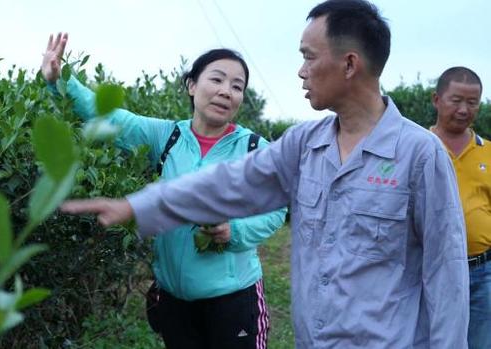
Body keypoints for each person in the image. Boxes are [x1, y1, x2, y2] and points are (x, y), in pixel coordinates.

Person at [61, 0, 470, 348]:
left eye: (309, 57)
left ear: (349, 64)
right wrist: (140, 205)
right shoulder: (303, 145)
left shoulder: (419, 154)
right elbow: (229, 185)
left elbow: (446, 275)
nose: (300, 71)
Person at [42, 34, 285, 348]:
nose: (226, 91)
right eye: (217, 79)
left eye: (237, 86)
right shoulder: (168, 137)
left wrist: (234, 231)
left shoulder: (254, 149)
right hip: (175, 299)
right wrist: (61, 80)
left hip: (233, 301)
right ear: (192, 86)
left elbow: (277, 208)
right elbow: (112, 117)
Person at [430, 67, 489, 349]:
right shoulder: (417, 148)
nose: (464, 109)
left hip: (483, 272)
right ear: (436, 100)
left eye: (473, 102)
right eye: (456, 100)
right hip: (430, 271)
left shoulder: (488, 153)